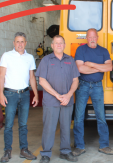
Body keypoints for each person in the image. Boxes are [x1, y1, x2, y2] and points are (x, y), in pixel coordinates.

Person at [36, 35, 80, 163]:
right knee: (49, 127)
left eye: (61, 43)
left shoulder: (70, 60)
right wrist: (56, 95)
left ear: (64, 45)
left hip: (67, 100)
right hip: (51, 101)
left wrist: (69, 95)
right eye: (56, 43)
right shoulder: (46, 60)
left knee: (66, 127)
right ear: (52, 45)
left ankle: (65, 152)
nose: (59, 45)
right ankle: (45, 154)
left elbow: (75, 80)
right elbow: (42, 80)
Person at [73, 28, 113, 156]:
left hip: (97, 87)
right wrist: (99, 68)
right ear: (87, 38)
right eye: (89, 37)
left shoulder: (103, 51)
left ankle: (104, 145)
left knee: (101, 117)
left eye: (94, 37)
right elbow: (80, 69)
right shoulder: (80, 49)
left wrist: (90, 64)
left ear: (97, 37)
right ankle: (79, 146)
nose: (92, 40)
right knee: (79, 117)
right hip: (82, 86)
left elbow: (109, 67)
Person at [0, 32, 39, 162]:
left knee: (23, 124)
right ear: (13, 43)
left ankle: (24, 150)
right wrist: (0, 94)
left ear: (25, 43)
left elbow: (32, 77)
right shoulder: (7, 56)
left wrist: (36, 94)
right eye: (17, 41)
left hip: (25, 94)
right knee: (9, 124)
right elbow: (1, 76)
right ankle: (7, 151)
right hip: (10, 94)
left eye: (22, 42)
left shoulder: (30, 57)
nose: (20, 44)